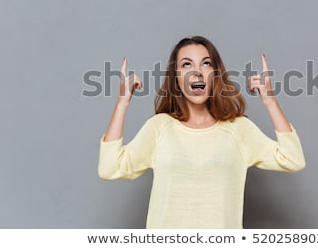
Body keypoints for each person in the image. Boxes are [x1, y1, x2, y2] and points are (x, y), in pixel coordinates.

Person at [98, 36, 305, 229]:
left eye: (206, 63)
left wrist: (270, 101)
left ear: (215, 74)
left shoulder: (238, 129)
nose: (197, 71)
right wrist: (122, 103)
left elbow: (293, 159)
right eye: (186, 64)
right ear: (176, 77)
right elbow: (110, 168)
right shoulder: (160, 127)